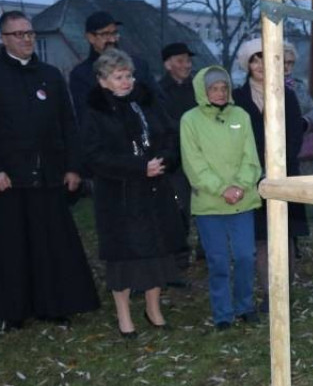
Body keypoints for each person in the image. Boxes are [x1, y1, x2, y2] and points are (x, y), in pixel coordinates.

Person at [0, 11, 99, 330]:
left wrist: (73, 167)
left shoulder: (51, 74)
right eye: (18, 34)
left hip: (49, 174)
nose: (27, 39)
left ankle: (54, 305)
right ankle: (14, 311)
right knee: (13, 246)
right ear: (4, 39)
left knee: (49, 244)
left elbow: (68, 124)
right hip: (10, 178)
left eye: (29, 33)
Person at [81, 49, 185, 337]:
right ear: (103, 81)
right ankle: (124, 316)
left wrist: (164, 160)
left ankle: (153, 309)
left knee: (157, 252)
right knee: (124, 259)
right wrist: (139, 167)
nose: (126, 81)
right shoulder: (95, 111)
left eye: (128, 75)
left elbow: (168, 135)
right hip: (119, 196)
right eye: (118, 77)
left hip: (153, 192)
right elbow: (93, 156)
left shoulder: (146, 102)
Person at [180, 66, 262, 330]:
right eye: (213, 88)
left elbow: (252, 157)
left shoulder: (241, 115)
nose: (219, 93)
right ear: (202, 91)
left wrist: (240, 186)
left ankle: (245, 305)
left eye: (223, 88)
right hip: (209, 203)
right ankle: (223, 313)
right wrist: (221, 189)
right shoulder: (189, 120)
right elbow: (193, 164)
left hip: (242, 200)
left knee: (245, 256)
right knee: (217, 261)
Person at [233, 38, 308, 313]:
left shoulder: (285, 94)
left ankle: (285, 293)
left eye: (265, 58)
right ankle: (269, 294)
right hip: (251, 178)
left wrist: (280, 167)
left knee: (285, 236)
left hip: (284, 174)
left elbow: (295, 133)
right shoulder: (237, 98)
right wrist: (251, 170)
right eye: (255, 59)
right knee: (262, 238)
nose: (261, 65)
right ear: (248, 64)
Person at [69, 11, 158, 124]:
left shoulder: (139, 65)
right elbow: (86, 117)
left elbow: (158, 102)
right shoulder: (81, 75)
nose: (112, 39)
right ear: (90, 37)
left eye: (114, 33)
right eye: (105, 35)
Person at [159, 41, 199, 275]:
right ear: (168, 64)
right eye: (181, 60)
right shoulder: (159, 91)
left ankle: (205, 248)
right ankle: (179, 252)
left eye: (188, 60)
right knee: (179, 205)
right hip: (175, 159)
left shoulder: (197, 88)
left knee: (204, 200)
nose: (187, 65)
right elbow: (163, 124)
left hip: (200, 156)